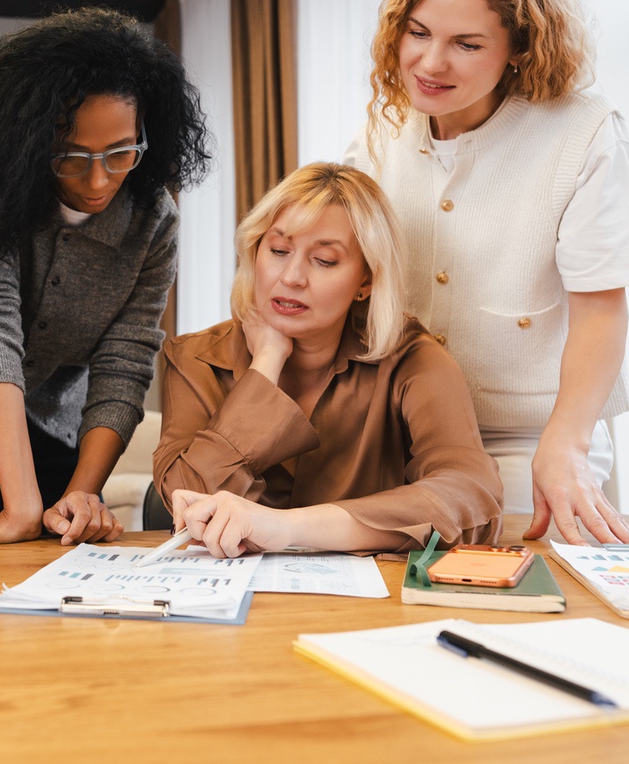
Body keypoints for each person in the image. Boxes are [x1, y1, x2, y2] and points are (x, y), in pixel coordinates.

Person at [346, 0, 629, 545]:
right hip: (394, 426)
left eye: (467, 44)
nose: (430, 62)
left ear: (520, 47)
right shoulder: (381, 134)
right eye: (418, 32)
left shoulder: (583, 133)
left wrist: (564, 445)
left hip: (526, 438)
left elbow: (601, 310)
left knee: (497, 578)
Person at [0, 7, 212, 545]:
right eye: (71, 157)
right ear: (32, 145)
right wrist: (22, 504)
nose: (98, 180)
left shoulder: (153, 220)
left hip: (56, 426)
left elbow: (125, 360)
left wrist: (84, 493)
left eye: (121, 153)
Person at [154, 163, 503, 557]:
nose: (292, 277)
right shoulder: (195, 358)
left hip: (368, 603)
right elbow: (189, 503)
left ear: (366, 280)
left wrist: (288, 528)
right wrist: (265, 364)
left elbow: (472, 497)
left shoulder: (412, 359)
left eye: (324, 260)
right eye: (279, 251)